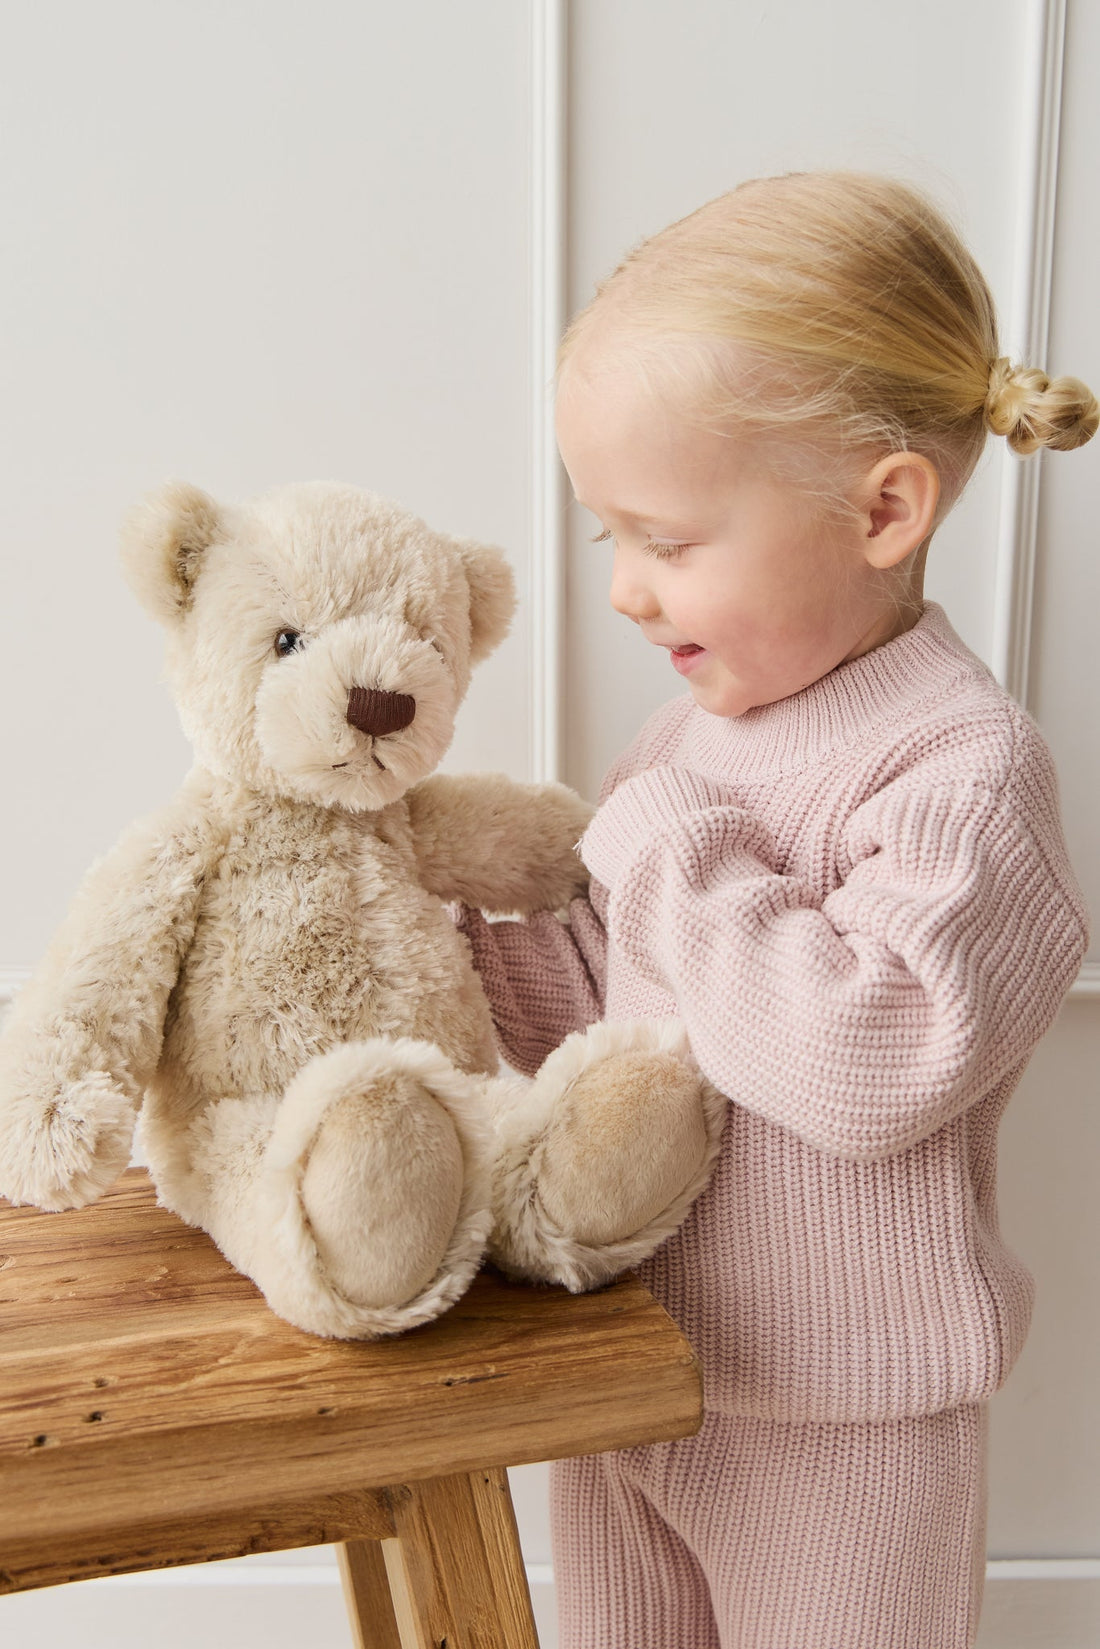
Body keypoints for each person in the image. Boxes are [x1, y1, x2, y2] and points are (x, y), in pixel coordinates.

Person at [458, 172, 1096, 1649]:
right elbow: (628, 1006)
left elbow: (870, 1060)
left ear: (883, 509)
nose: (626, 590)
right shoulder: (695, 737)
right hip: (639, 1366)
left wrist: (669, 850)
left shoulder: (962, 769)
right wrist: (455, 935)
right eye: (606, 534)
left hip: (841, 1412)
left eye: (668, 540)